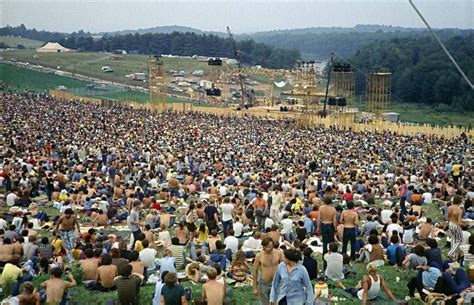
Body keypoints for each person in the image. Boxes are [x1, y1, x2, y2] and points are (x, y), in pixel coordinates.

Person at [253, 237, 282, 305]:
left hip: (277, 282)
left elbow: (284, 267)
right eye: (266, 247)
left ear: (273, 245)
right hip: (264, 283)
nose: (268, 249)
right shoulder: (259, 256)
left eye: (270, 247)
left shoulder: (279, 253)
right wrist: (254, 287)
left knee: (276, 302)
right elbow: (254, 271)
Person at [447, 195, 463, 261]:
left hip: (450, 223)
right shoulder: (459, 210)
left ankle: (453, 256)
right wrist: (465, 224)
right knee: (459, 240)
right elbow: (459, 222)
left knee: (453, 238)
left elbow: (447, 217)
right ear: (459, 202)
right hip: (456, 225)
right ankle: (451, 253)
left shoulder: (450, 207)